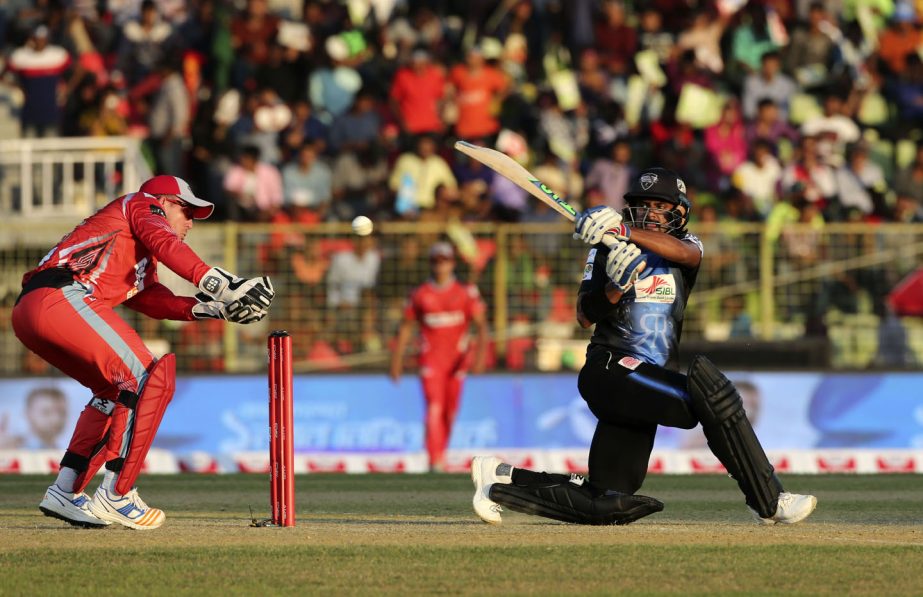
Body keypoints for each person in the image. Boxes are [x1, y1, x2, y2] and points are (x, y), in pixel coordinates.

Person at [470, 167, 817, 526]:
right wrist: (615, 288)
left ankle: (499, 481)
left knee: (606, 500)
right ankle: (770, 499)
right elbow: (584, 316)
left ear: (679, 213)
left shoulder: (685, 246)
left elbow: (687, 255)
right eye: (642, 204)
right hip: (610, 369)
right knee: (710, 396)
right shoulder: (604, 250)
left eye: (659, 205)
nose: (650, 212)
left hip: (648, 381)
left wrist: (623, 231)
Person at [11, 175, 275, 530]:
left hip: (35, 309)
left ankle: (65, 490)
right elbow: (165, 242)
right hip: (61, 297)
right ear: (163, 202)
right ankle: (117, 493)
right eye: (185, 210)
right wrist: (224, 285)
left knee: (112, 392)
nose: (190, 222)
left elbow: (149, 298)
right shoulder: (141, 204)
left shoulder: (138, 251)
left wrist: (213, 308)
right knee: (149, 377)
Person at [390, 242, 488, 472]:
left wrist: (480, 357)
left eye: (444, 261)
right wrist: (396, 361)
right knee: (434, 407)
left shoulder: (466, 292)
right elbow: (406, 327)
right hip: (431, 361)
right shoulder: (421, 294)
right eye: (436, 261)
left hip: (457, 361)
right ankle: (435, 459)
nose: (440, 266)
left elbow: (482, 325)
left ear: (452, 263)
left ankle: (440, 453)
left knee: (450, 411)